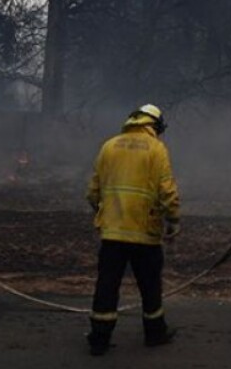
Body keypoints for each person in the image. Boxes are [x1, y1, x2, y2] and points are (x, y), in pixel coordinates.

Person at [85, 104, 180, 356]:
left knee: (107, 284)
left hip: (112, 232)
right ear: (155, 126)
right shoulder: (157, 149)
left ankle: (99, 340)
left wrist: (104, 212)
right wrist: (173, 219)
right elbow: (166, 190)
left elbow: (93, 191)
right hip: (145, 233)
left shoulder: (109, 145)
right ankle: (155, 333)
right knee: (150, 286)